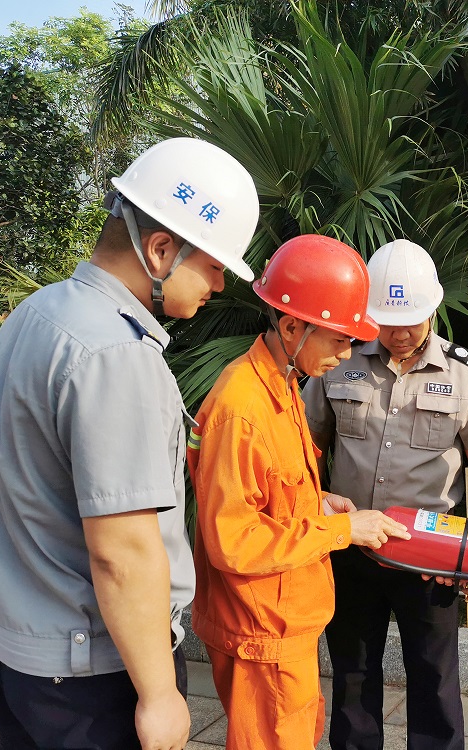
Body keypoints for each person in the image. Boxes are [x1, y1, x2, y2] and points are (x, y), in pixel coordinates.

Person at [0, 137, 260, 750]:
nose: (218, 285)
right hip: (90, 677)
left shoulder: (37, 313)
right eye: (214, 266)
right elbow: (122, 551)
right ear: (161, 249)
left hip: (14, 655)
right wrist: (159, 695)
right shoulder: (117, 354)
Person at [188, 234, 411, 750]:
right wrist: (341, 529)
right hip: (259, 631)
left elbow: (272, 495)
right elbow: (234, 542)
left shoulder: (284, 382)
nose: (347, 353)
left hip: (282, 624)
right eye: (337, 339)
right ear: (291, 326)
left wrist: (319, 503)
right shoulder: (243, 407)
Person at [302, 238, 468, 750]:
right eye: (387, 322)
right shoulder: (340, 360)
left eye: (410, 321)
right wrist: (311, 516)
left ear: (433, 308)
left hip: (431, 554)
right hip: (352, 546)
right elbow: (309, 444)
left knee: (434, 679)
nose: (399, 333)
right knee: (352, 674)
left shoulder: (464, 372)